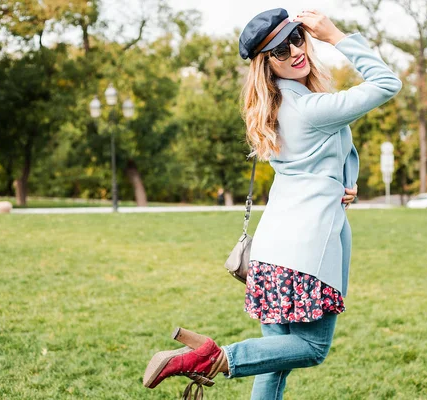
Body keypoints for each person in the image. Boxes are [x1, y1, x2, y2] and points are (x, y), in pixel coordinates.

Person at [142, 8, 401, 400]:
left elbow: (307, 164)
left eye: (298, 38)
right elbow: (387, 82)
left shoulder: (276, 106)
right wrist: (335, 35)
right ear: (267, 65)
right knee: (311, 348)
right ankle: (211, 357)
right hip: (307, 252)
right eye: (280, 51)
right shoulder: (309, 109)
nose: (295, 50)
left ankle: (211, 357)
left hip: (272, 248)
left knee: (275, 361)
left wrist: (343, 183)